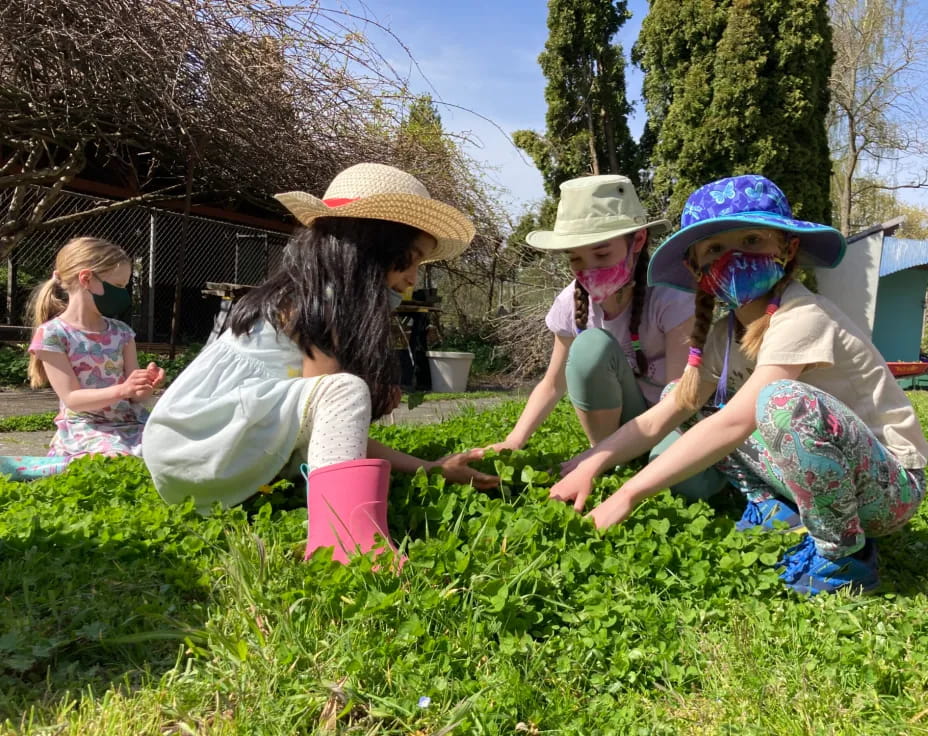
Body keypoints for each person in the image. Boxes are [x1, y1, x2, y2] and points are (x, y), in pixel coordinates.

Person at [549, 174, 928, 595]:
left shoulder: (803, 314)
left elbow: (736, 423)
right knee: (685, 396)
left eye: (750, 241)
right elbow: (665, 415)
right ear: (696, 268)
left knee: (781, 402)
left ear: (788, 248)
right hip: (823, 476)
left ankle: (845, 557)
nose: (732, 259)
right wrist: (593, 461)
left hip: (886, 489)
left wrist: (629, 494)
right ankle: (774, 510)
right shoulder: (722, 338)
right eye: (714, 250)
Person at [142, 163, 496, 563]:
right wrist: (427, 467)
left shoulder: (304, 293)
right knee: (345, 389)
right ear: (372, 246)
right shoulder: (321, 306)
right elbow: (338, 410)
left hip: (189, 454)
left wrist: (431, 468)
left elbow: (326, 431)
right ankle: (346, 541)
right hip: (199, 452)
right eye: (411, 259)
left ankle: (327, 512)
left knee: (339, 395)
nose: (415, 277)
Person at [487, 174, 726, 500]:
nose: (589, 269)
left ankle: (632, 460)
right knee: (589, 347)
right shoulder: (570, 301)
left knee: (681, 484)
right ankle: (611, 456)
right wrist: (515, 440)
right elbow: (552, 384)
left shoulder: (672, 296)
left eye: (601, 254)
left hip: (679, 420)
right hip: (626, 424)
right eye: (576, 258)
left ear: (638, 241)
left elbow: (679, 400)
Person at [13, 237, 164, 480]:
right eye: (117, 285)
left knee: (173, 447)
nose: (123, 294)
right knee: (117, 460)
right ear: (86, 279)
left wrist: (144, 384)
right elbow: (73, 399)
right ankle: (65, 461)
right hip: (86, 426)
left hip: (129, 421)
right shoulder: (53, 335)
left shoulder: (122, 332)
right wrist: (122, 389)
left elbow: (137, 396)